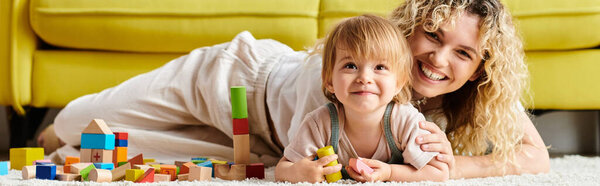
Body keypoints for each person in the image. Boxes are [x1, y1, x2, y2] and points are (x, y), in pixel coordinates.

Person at [45, 0, 548, 179]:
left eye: (462, 53)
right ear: (411, 28)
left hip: (266, 141)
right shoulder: (371, 64)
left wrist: (459, 166)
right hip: (233, 81)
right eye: (432, 37)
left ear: (481, 67)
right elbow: (354, 170)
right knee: (71, 124)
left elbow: (536, 159)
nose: (439, 60)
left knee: (122, 154)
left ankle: (63, 151)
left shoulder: (478, 93)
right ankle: (48, 132)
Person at [275, 14, 448, 183]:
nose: (365, 78)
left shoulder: (405, 121)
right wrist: (298, 172)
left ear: (399, 83)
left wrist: (390, 172)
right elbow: (282, 169)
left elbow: (438, 172)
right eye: (350, 66)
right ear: (329, 80)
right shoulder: (319, 123)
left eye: (380, 67)